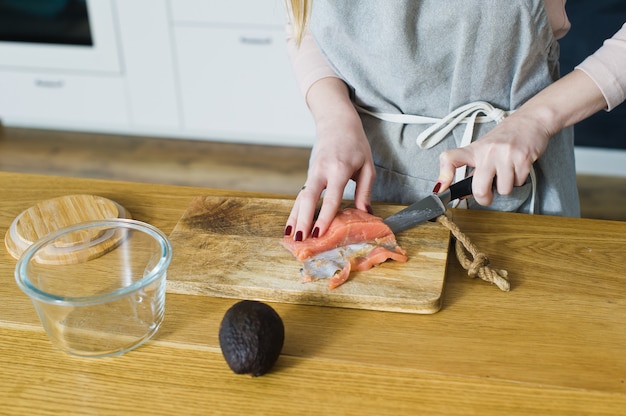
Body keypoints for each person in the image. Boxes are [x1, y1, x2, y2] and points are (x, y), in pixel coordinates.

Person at [283, 1, 626, 242]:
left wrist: (537, 119)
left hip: (512, 180)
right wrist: (333, 118)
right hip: (371, 174)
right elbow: (304, 20)